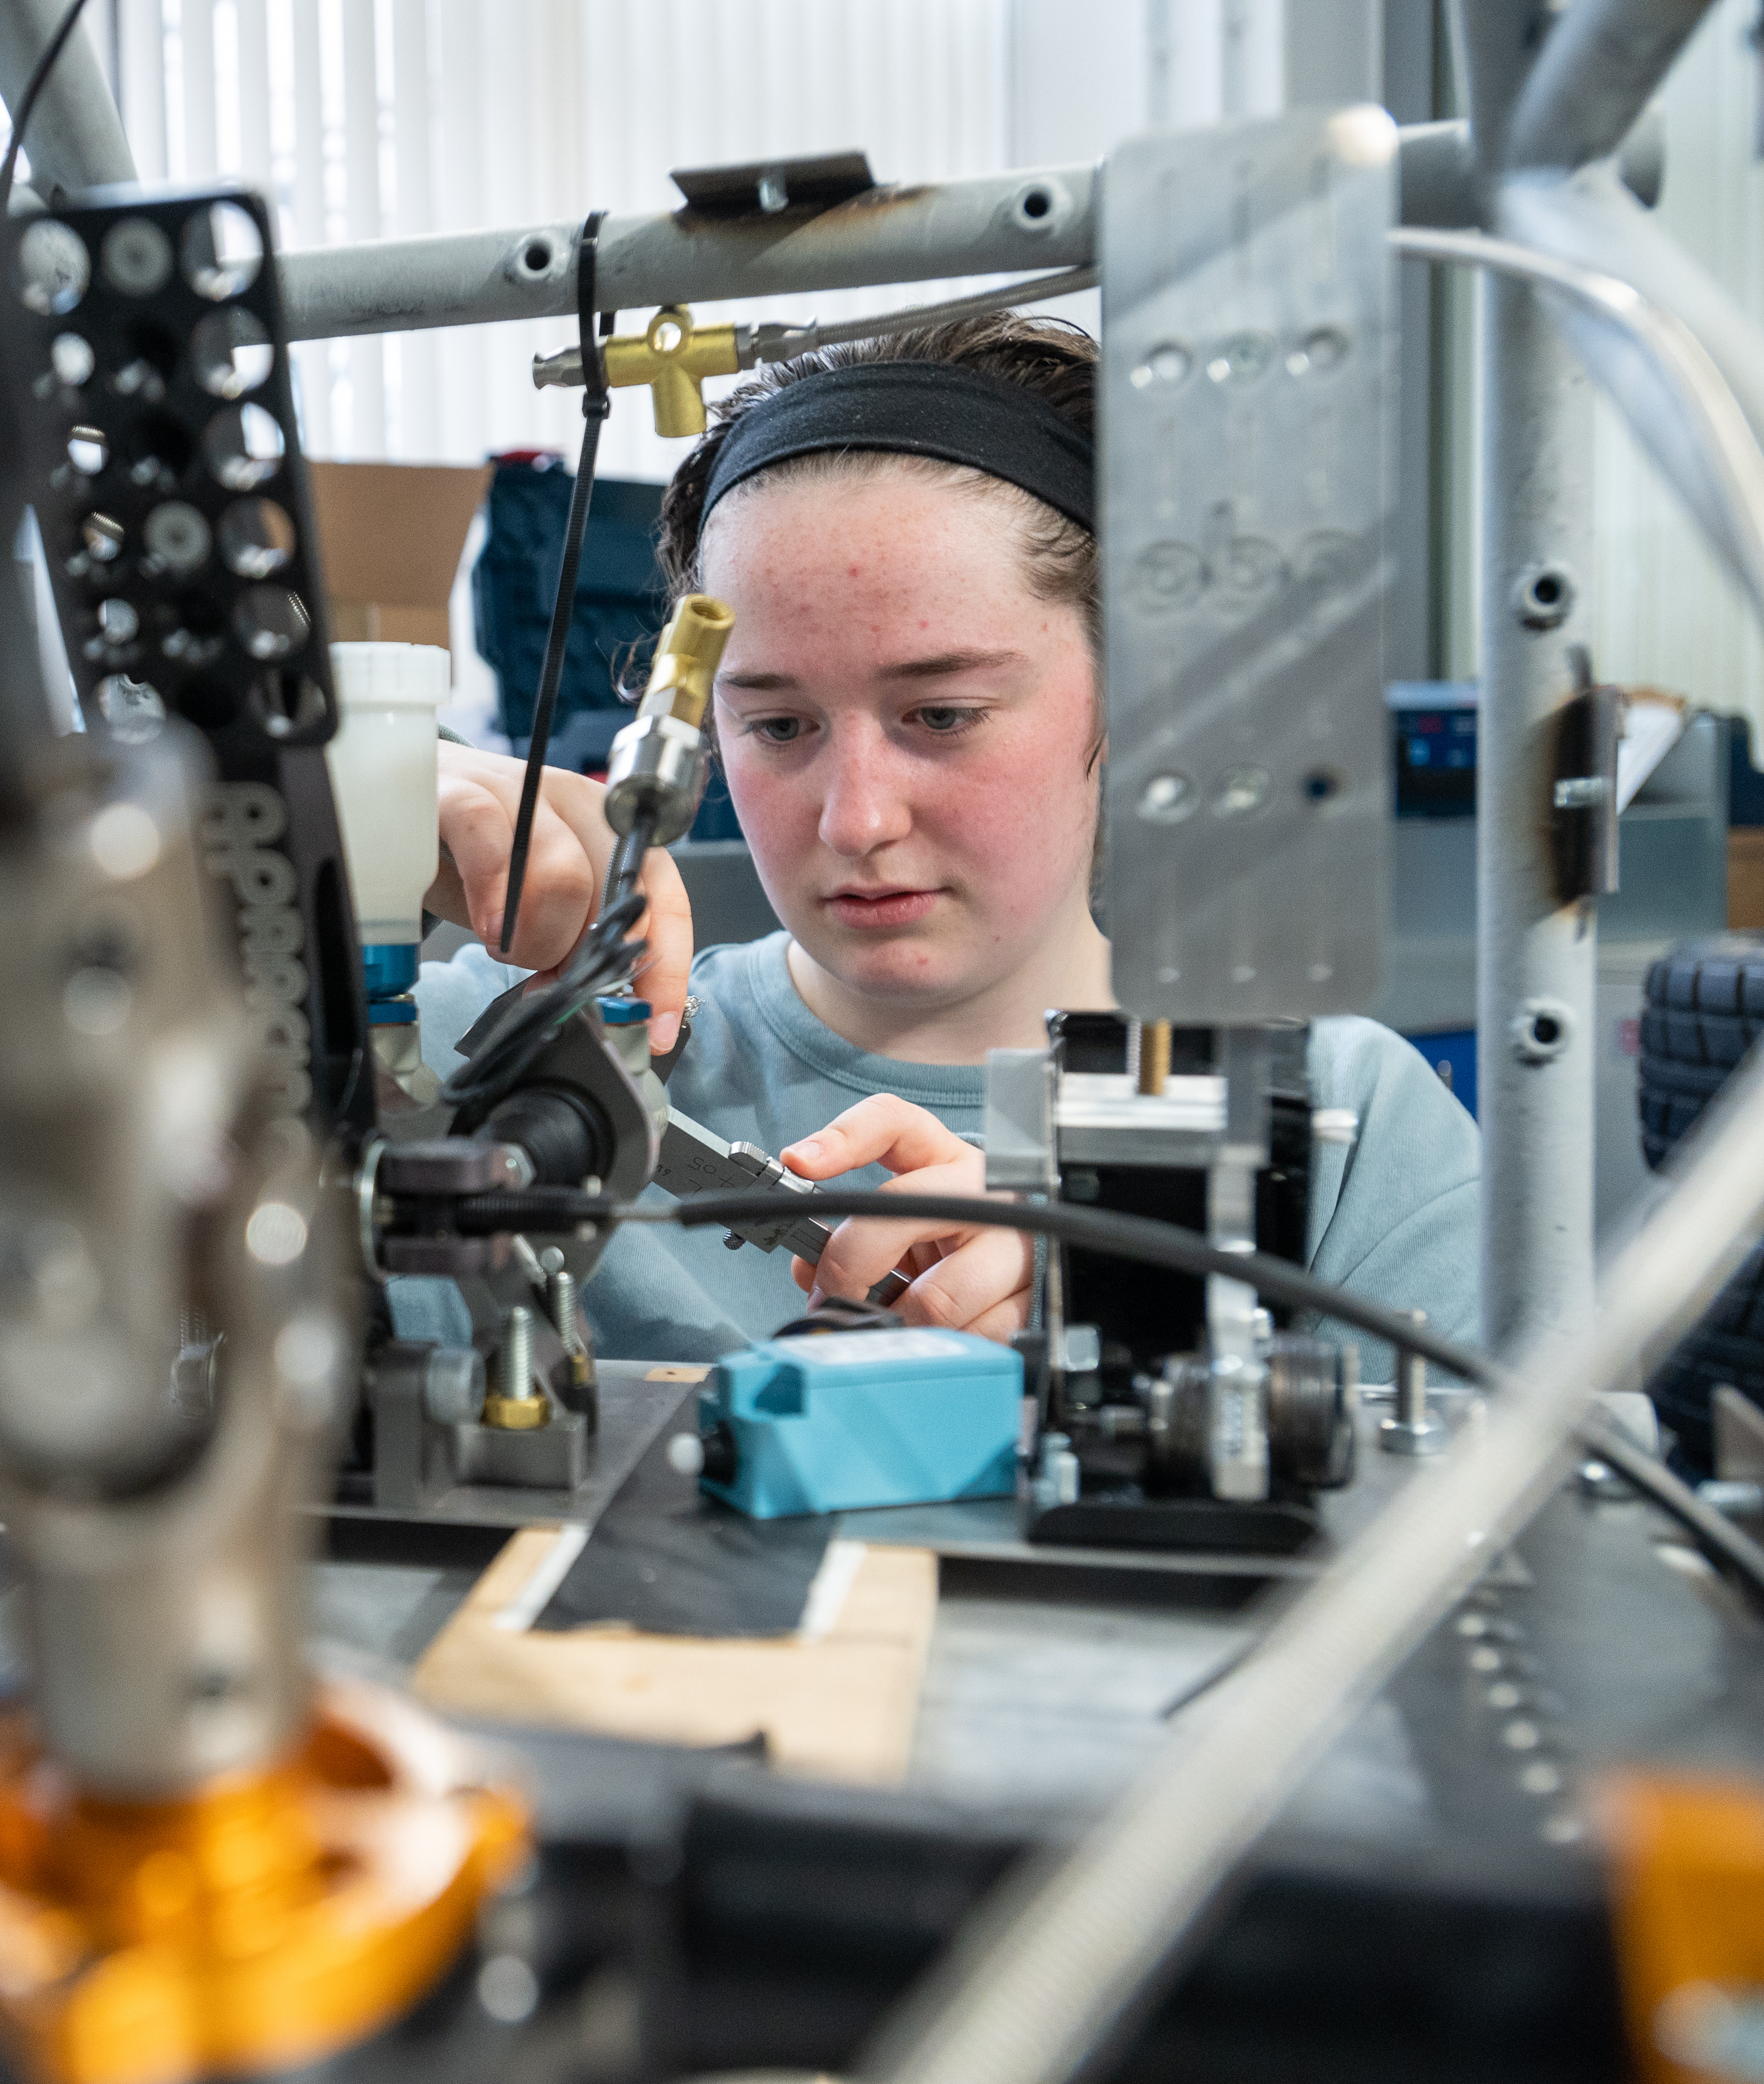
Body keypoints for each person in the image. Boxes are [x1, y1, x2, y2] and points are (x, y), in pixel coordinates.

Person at [413, 315, 1479, 1370]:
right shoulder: (489, 1050)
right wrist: (326, 843)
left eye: (943, 714)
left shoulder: (1344, 1131)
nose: (858, 820)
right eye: (779, 726)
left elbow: (1536, 1531)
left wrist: (1143, 1349)